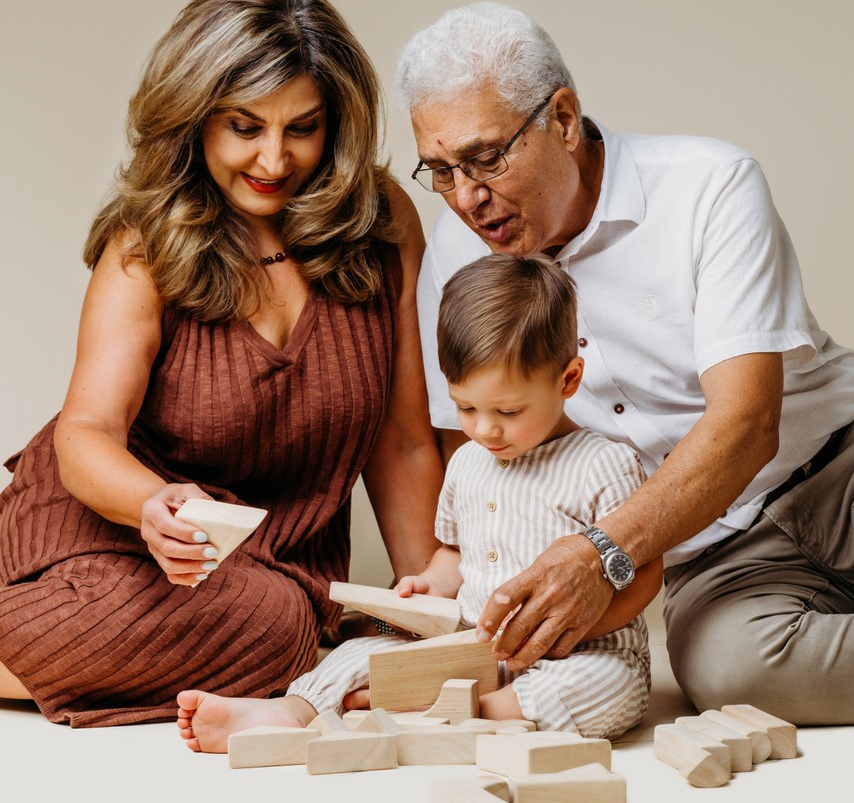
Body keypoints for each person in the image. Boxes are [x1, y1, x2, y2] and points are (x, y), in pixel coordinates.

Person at [0, 0, 444, 726]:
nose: (275, 158)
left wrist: (430, 597)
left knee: (276, 617)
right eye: (245, 127)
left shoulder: (382, 222)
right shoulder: (146, 243)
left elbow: (402, 442)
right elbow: (85, 435)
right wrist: (151, 504)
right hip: (113, 529)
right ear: (194, 118)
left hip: (269, 569)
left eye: (302, 128)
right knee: (277, 631)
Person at [395, 2, 854, 726]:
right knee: (731, 671)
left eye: (486, 158)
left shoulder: (710, 183)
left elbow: (747, 424)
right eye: (443, 171)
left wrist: (599, 553)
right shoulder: (455, 260)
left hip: (838, 469)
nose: (467, 198)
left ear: (565, 119)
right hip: (706, 547)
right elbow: (484, 462)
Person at [177, 254, 662, 750]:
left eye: (509, 411)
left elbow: (645, 572)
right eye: (466, 407)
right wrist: (430, 583)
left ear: (569, 379)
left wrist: (564, 634)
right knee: (364, 650)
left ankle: (457, 711)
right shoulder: (469, 463)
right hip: (474, 648)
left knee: (602, 686)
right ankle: (290, 710)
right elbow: (455, 553)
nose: (485, 429)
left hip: (583, 652)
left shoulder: (604, 464)